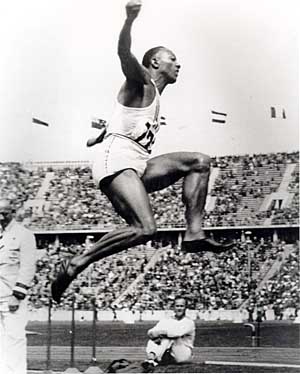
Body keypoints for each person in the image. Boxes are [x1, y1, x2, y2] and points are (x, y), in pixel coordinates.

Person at [51, 0, 232, 303]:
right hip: (116, 160)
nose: (178, 64)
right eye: (172, 59)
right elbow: (124, 54)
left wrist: (103, 132)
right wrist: (129, 20)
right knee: (146, 228)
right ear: (155, 63)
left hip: (136, 161)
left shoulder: (156, 97)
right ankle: (76, 263)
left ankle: (194, 234)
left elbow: (125, 123)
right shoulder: (141, 82)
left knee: (200, 162)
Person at [0, 199, 37, 374]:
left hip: (11, 297)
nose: (1, 217)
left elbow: (28, 267)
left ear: (13, 212)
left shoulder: (24, 235)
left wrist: (17, 295)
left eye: (4, 213)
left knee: (14, 339)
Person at [142, 296, 195, 372]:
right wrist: (153, 334)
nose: (179, 308)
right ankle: (151, 359)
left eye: (182, 306)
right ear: (173, 307)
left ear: (185, 308)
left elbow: (176, 333)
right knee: (156, 338)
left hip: (183, 353)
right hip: (170, 352)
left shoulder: (189, 322)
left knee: (167, 337)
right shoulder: (167, 320)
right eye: (177, 306)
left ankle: (153, 359)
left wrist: (160, 333)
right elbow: (151, 331)